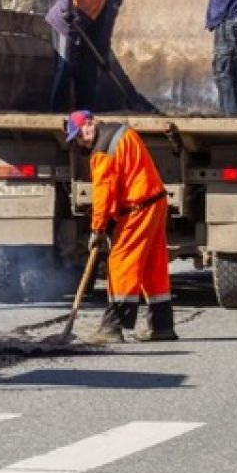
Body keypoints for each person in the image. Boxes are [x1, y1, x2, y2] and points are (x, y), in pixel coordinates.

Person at [67, 110, 177, 344]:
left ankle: (112, 327)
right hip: (155, 201)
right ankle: (162, 325)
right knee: (152, 265)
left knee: (121, 262)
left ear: (91, 123)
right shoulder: (121, 132)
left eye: (81, 134)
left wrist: (97, 229)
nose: (82, 141)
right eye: (77, 139)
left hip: (139, 206)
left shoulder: (102, 149)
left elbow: (104, 194)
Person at [45, 0, 146, 112]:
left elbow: (106, 25)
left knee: (88, 71)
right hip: (66, 23)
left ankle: (84, 113)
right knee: (66, 66)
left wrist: (102, 55)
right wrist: (66, 8)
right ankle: (55, 114)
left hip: (84, 30)